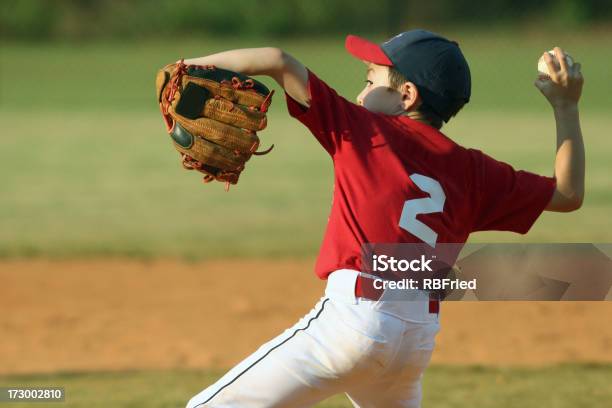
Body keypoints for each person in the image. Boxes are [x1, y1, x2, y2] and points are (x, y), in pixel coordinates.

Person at [183, 29, 584, 407]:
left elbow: (276, 59)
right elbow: (568, 194)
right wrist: (565, 105)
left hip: (352, 323)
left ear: (406, 95)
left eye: (370, 80)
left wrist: (185, 68)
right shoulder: (474, 172)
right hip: (415, 340)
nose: (360, 94)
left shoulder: (364, 130)